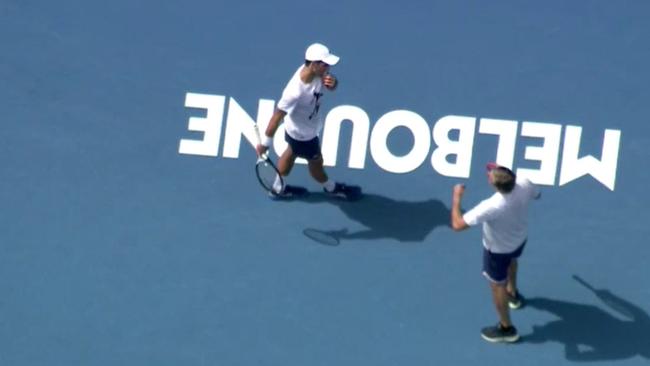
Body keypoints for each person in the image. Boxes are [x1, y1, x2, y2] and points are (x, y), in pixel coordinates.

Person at [256, 43, 361, 200]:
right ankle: (331, 188)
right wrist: (265, 144)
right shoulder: (294, 93)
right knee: (316, 163)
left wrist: (334, 83)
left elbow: (330, 85)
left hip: (297, 129)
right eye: (324, 64)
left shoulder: (315, 73)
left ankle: (278, 188)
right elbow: (277, 116)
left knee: (291, 151)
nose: (328, 67)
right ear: (313, 64)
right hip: (304, 135)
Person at [450, 162, 541, 343]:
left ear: (495, 186)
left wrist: (456, 198)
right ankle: (513, 295)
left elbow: (457, 225)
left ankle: (506, 329)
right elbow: (537, 195)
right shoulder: (525, 182)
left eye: (491, 175)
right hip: (519, 239)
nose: (489, 174)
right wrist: (501, 172)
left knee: (496, 285)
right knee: (513, 261)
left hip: (497, 252)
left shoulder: (492, 206)